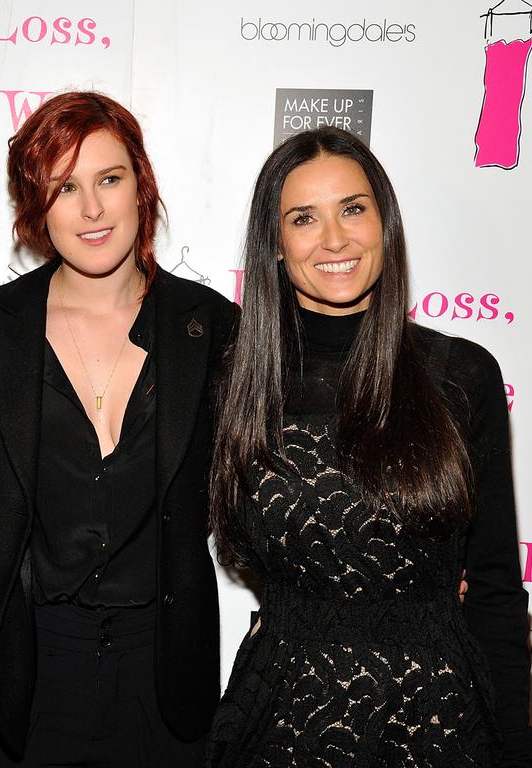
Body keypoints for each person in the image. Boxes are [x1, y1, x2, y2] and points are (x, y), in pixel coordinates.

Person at [207, 127, 532, 766]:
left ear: (386, 222)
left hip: (441, 720)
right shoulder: (236, 384)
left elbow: (494, 587)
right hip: (285, 723)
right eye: (305, 218)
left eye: (353, 208)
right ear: (274, 245)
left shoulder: (463, 375)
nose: (335, 239)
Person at [0, 91, 237, 767]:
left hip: (166, 677)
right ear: (35, 208)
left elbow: (273, 475)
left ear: (140, 186)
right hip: (29, 678)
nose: (91, 210)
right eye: (64, 188)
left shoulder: (210, 328)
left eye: (109, 180)